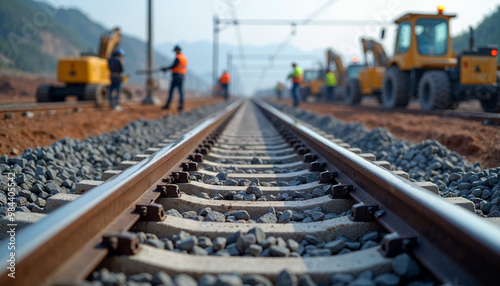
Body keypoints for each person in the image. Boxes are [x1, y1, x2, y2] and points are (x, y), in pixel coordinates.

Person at [160, 45, 187, 111]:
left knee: (171, 91)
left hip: (176, 76)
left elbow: (174, 65)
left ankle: (167, 105)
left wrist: (165, 69)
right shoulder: (184, 57)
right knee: (181, 92)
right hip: (182, 76)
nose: (175, 52)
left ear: (177, 50)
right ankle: (181, 106)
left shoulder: (178, 57)